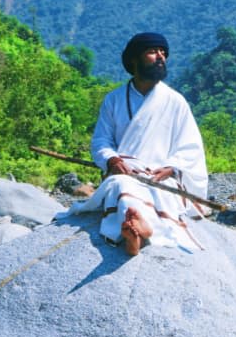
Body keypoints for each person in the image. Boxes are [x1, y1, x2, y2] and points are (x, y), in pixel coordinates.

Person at [65, 32, 208, 255]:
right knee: (121, 186)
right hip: (126, 172)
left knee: (155, 193)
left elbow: (190, 146)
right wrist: (112, 159)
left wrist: (172, 168)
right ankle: (136, 230)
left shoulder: (175, 101)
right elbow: (101, 140)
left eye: (163, 53)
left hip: (160, 176)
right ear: (134, 60)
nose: (160, 57)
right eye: (152, 52)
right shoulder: (114, 99)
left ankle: (137, 229)